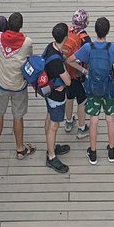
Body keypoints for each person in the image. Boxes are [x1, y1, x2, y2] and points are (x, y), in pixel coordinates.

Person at [71, 16, 114, 164]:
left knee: (93, 121)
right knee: (110, 120)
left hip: (92, 88)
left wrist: (84, 71)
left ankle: (93, 153)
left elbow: (69, 60)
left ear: (95, 31)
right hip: (109, 88)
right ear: (107, 31)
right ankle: (111, 151)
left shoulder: (88, 48)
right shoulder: (113, 48)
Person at [0, 12, 35, 161]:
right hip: (19, 85)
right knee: (18, 117)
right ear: (21, 26)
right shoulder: (27, 42)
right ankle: (20, 149)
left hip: (0, 84)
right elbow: (29, 57)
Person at [41, 23, 74, 173]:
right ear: (66, 38)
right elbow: (67, 81)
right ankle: (51, 157)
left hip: (47, 92)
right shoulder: (56, 61)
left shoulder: (50, 47)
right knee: (54, 125)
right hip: (56, 95)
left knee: (49, 117)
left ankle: (51, 147)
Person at [62, 9, 91, 137]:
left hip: (65, 72)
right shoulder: (85, 38)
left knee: (69, 97)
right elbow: (89, 56)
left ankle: (68, 122)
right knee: (82, 100)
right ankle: (82, 128)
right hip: (79, 74)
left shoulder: (66, 32)